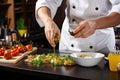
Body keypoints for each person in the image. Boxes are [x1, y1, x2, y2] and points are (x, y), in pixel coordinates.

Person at [35, 0, 120, 56]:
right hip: (68, 45)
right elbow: (46, 2)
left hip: (100, 47)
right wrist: (47, 21)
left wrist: (95, 24)